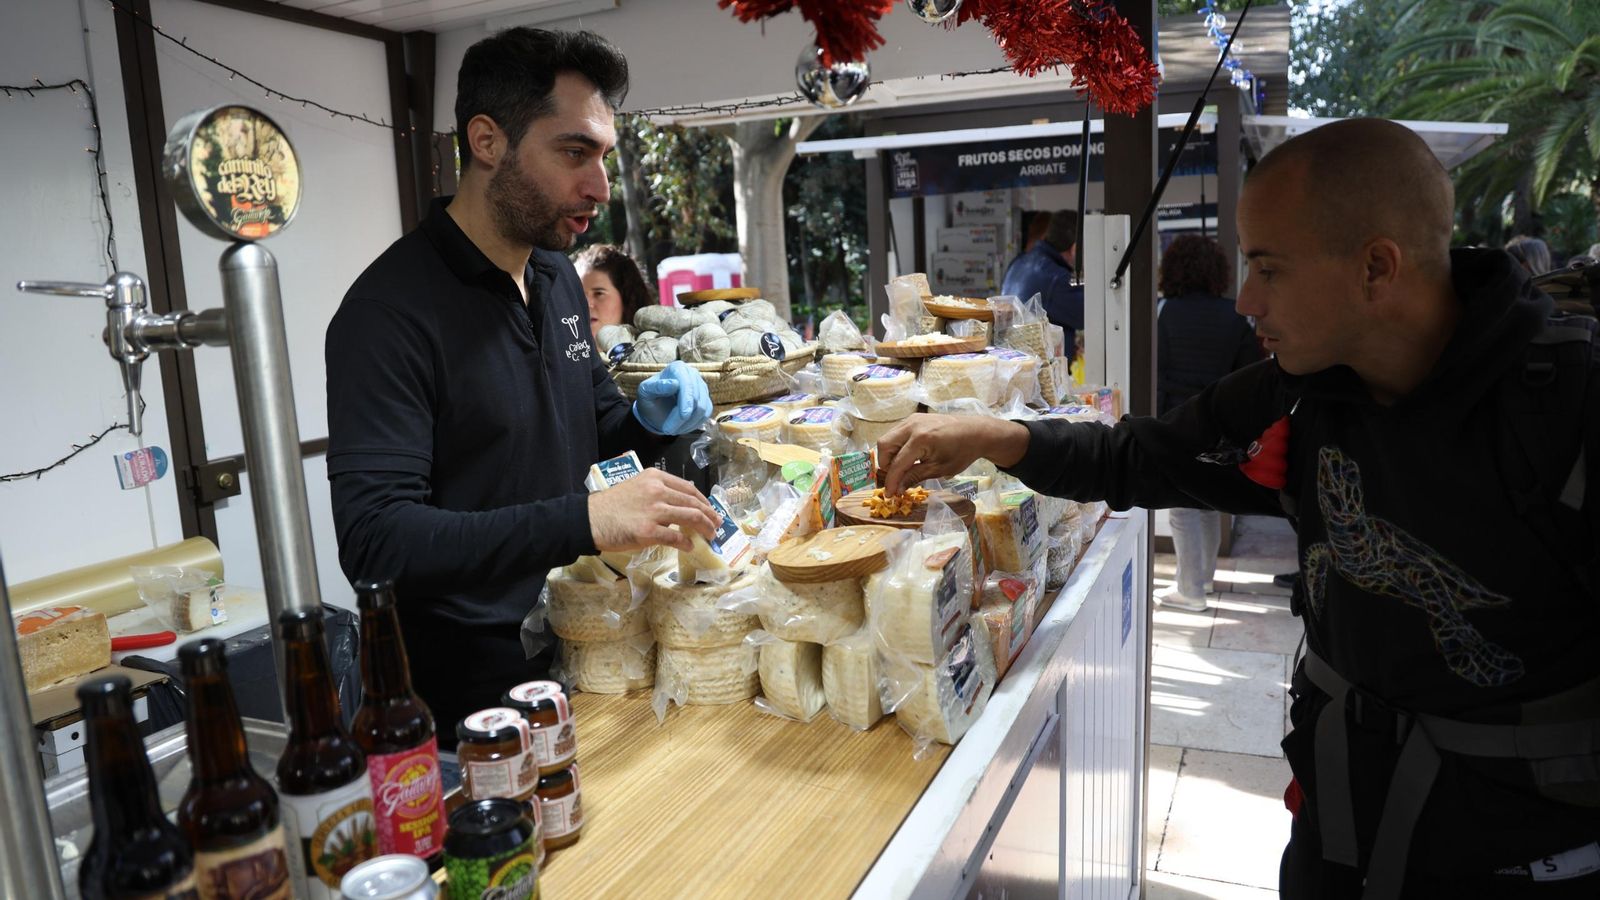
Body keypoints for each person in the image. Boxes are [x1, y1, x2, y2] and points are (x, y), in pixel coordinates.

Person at [878, 118, 1598, 898]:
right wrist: (999, 435)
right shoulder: (1301, 385)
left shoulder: (1568, 409)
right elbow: (1144, 457)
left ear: (1377, 268)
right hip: (1333, 842)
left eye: (1268, 268)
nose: (1246, 299)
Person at [325, 28, 719, 744]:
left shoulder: (554, 276)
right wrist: (585, 520)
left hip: (580, 634)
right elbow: (375, 539)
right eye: (574, 152)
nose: (600, 185)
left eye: (601, 156)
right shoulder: (389, 312)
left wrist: (650, 422)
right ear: (487, 141)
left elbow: (593, 421)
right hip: (466, 691)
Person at [1154, 234, 1263, 611]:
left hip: (1176, 419)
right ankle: (1204, 579)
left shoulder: (1163, 312)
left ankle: (1190, 591)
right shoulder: (1234, 317)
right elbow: (1254, 371)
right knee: (1212, 502)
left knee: (1181, 507)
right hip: (1220, 422)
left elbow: (1155, 370)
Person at [1001, 210, 1085, 349]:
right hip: (1037, 365)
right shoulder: (1056, 278)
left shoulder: (1018, 262)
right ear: (1075, 249)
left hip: (1013, 357)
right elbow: (1091, 316)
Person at [574, 242, 654, 337]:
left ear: (627, 297)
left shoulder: (659, 347)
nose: (586, 304)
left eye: (598, 293)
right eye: (579, 295)